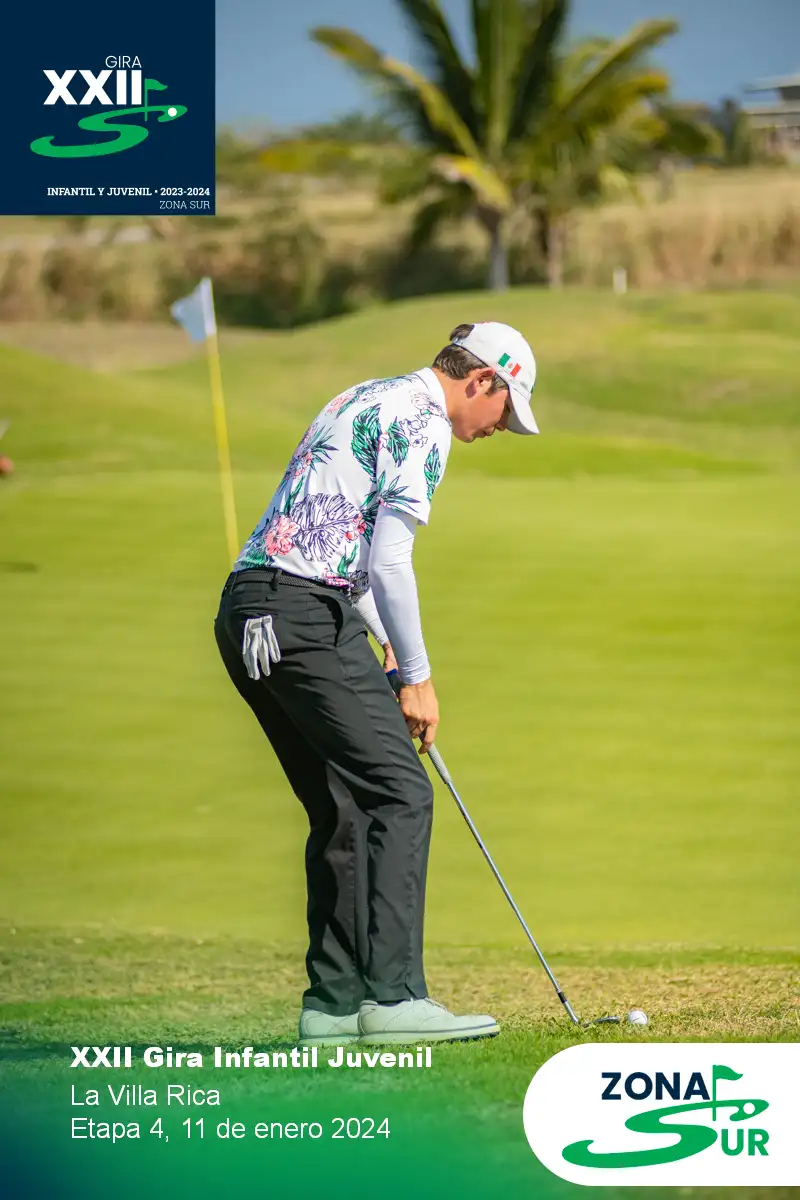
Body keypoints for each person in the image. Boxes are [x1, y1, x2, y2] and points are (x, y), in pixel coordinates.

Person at [214, 321, 538, 1046]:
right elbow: (390, 561)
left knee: (342, 804)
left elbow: (333, 542)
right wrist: (417, 679)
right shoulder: (426, 424)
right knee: (400, 791)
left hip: (248, 611)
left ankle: (333, 1005)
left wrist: (388, 647)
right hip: (304, 614)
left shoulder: (365, 396)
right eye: (505, 409)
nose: (501, 427)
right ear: (481, 380)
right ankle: (394, 998)